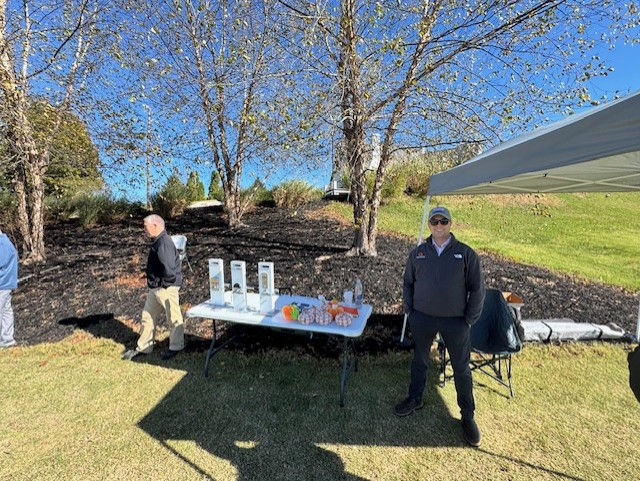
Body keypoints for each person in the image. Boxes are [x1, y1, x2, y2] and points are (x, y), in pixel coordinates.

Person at [394, 206, 485, 447]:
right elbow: (407, 283)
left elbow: (477, 288)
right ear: (429, 225)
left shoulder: (465, 254)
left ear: (450, 224)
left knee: (461, 368)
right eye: (434, 221)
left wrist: (469, 319)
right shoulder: (418, 253)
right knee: (420, 361)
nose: (439, 225)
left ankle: (467, 416)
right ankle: (415, 399)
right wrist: (410, 311)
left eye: (443, 221)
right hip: (422, 318)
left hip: (456, 322)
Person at [123, 214, 184, 360]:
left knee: (173, 318)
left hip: (166, 288)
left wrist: (166, 285)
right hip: (156, 288)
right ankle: (144, 347)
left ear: (155, 225)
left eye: (145, 227)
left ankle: (176, 347)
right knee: (147, 316)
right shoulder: (159, 241)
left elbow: (169, 268)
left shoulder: (163, 242)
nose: (144, 230)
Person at [0, 228, 18, 348]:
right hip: (7, 283)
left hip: (2, 283)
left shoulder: (2, 244)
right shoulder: (5, 242)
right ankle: (7, 339)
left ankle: (7, 339)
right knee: (6, 310)